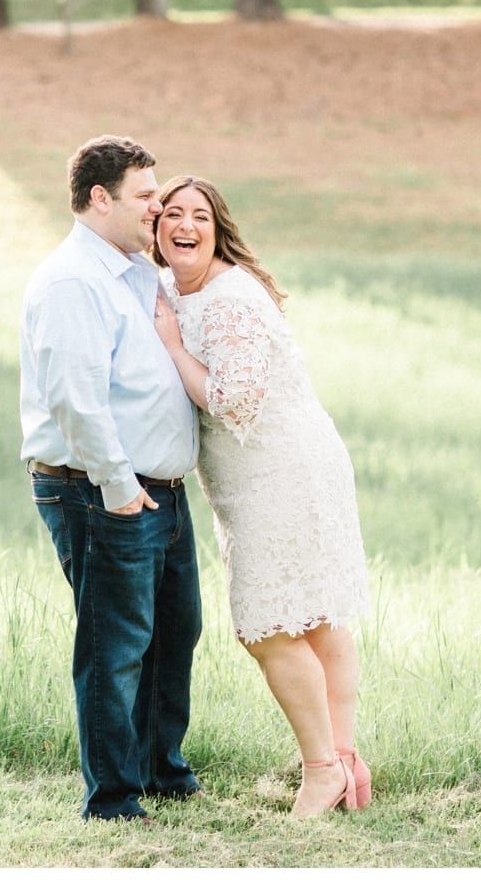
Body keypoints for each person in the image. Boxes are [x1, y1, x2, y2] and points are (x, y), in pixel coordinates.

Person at [150, 175, 372, 818]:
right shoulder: (171, 287)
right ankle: (347, 762)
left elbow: (237, 400)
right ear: (158, 230)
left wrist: (168, 344)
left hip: (282, 472)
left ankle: (321, 769)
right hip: (259, 477)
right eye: (171, 214)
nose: (184, 225)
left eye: (199, 215)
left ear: (218, 231)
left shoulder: (230, 300)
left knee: (268, 627)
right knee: (314, 617)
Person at [19, 135, 204, 823]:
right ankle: (114, 797)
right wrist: (120, 486)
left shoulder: (133, 272)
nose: (158, 209)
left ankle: (162, 770)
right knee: (115, 645)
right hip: (101, 489)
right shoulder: (75, 280)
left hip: (160, 491)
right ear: (100, 198)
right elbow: (76, 398)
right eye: (146, 197)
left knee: (175, 631)